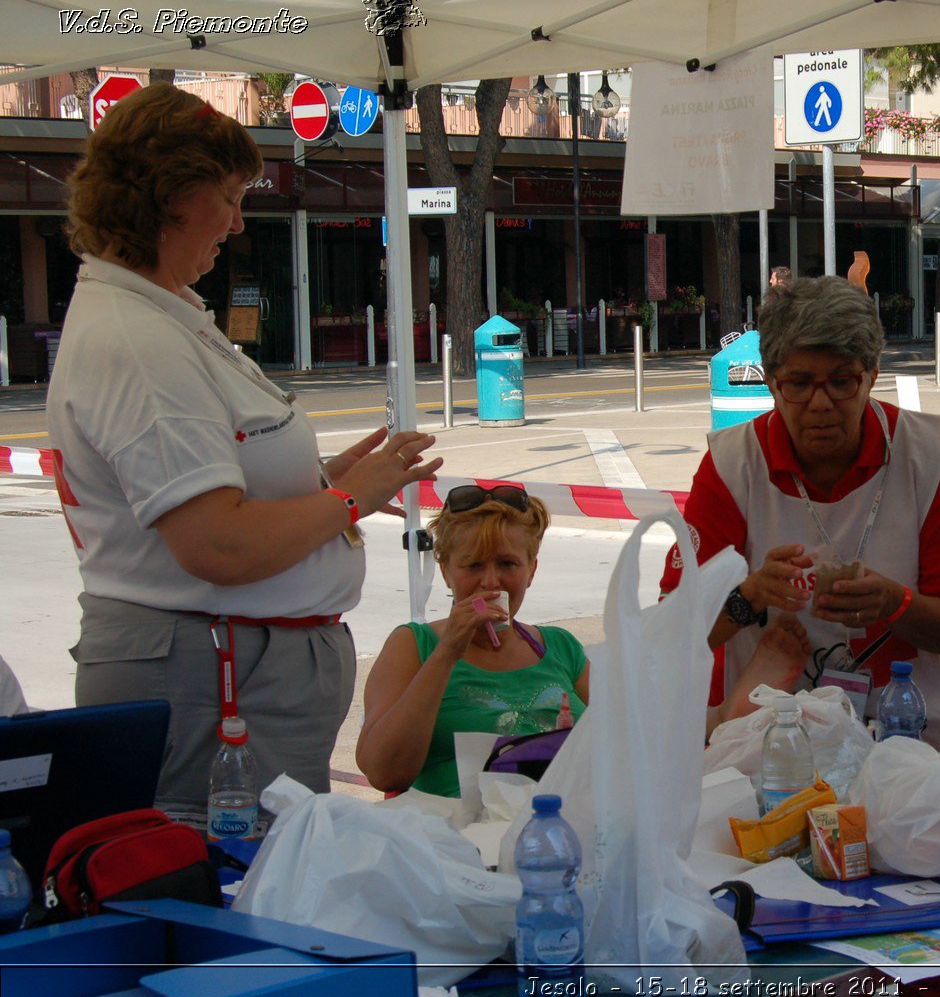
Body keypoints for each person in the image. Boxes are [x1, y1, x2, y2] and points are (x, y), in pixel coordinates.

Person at [45, 84, 440, 825]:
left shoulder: (158, 318)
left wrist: (327, 484)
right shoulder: (139, 342)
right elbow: (217, 543)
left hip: (236, 674)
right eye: (226, 196)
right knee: (231, 885)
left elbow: (218, 488)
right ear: (167, 198)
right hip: (216, 683)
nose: (235, 221)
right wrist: (347, 500)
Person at [662, 276, 940, 739]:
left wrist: (894, 603)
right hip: (770, 743)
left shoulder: (925, 453)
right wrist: (750, 596)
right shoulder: (733, 465)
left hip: (909, 741)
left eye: (840, 382)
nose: (820, 404)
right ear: (771, 383)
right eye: (799, 383)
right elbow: (668, 634)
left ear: (872, 376)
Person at [357, 486, 589, 797]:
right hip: (453, 834)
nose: (491, 581)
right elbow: (384, 773)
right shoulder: (413, 645)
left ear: (531, 570)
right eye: (474, 565)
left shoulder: (561, 647)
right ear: (446, 572)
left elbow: (621, 744)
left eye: (507, 564)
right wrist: (447, 653)